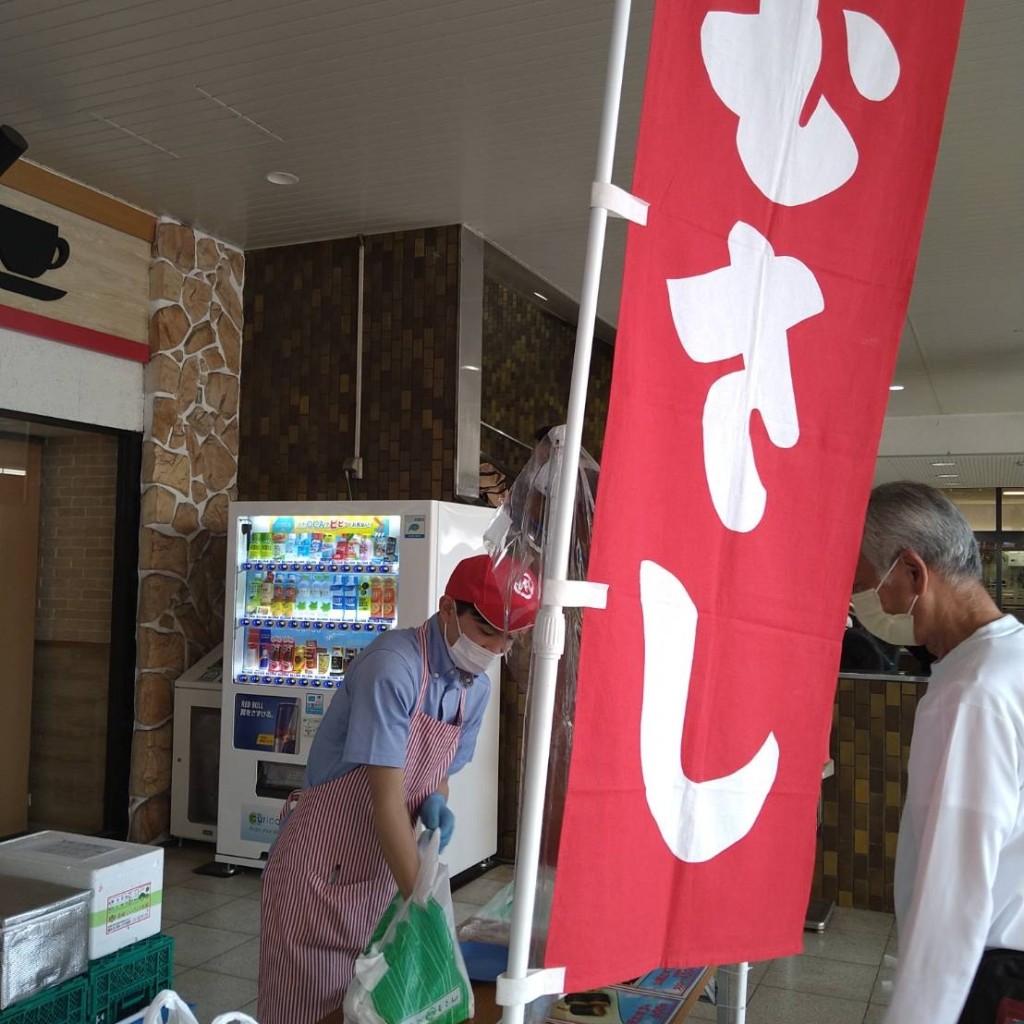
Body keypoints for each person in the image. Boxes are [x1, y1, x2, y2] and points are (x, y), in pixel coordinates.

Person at [257, 554, 539, 1024]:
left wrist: (436, 802)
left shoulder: (475, 688)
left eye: (509, 638)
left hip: (383, 869)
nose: (496, 648)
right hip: (321, 865)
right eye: (487, 630)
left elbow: (439, 773)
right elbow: (386, 801)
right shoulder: (393, 666)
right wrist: (427, 917)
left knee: (373, 1007)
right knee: (308, 1009)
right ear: (448, 608)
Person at [850, 482, 1024, 1024]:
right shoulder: (1008, 658)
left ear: (911, 572)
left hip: (989, 973)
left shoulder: (972, 695)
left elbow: (955, 889)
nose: (861, 604)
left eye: (865, 585)